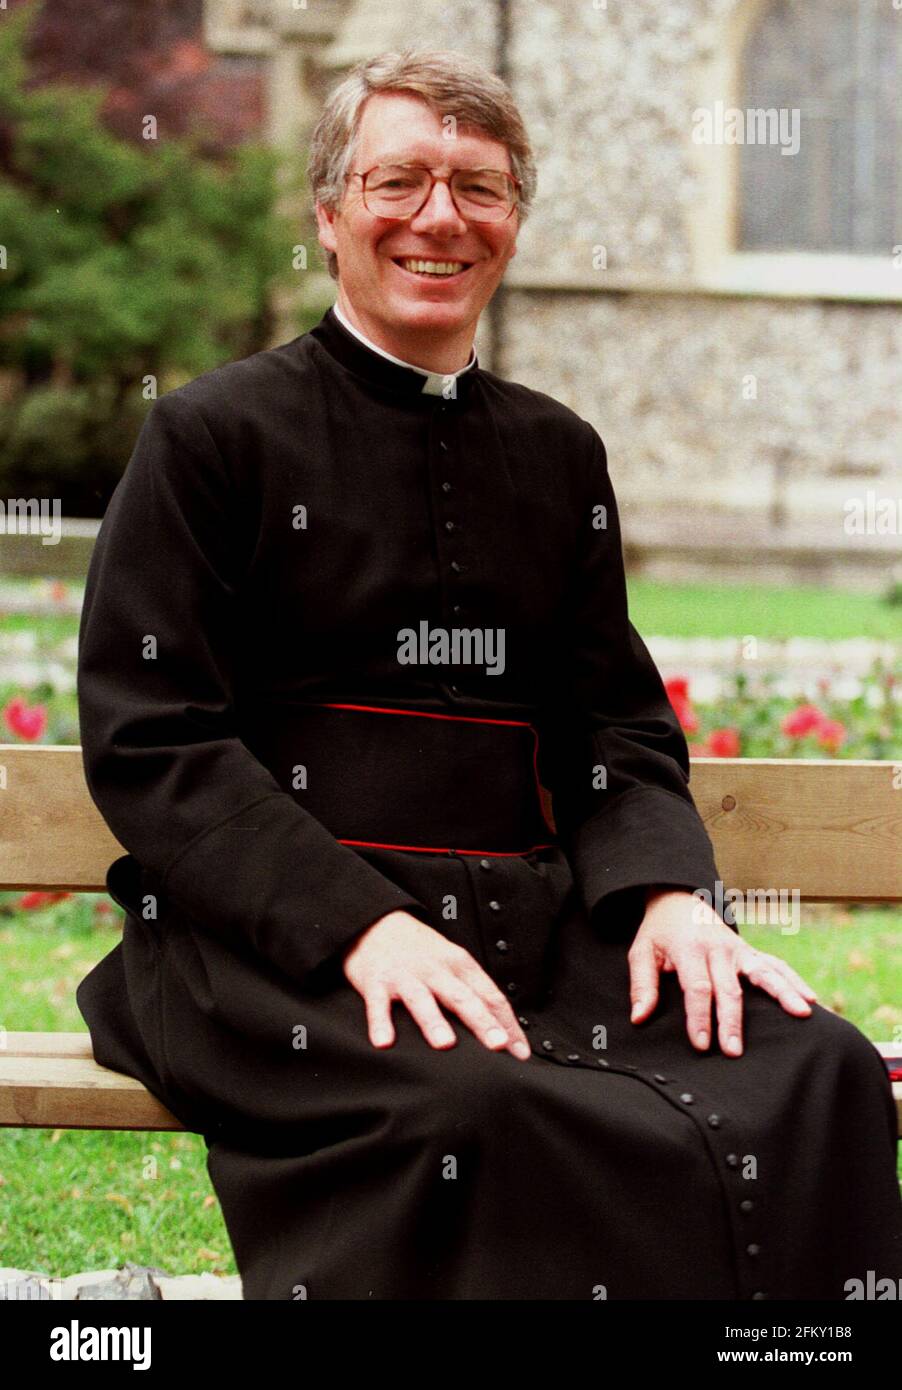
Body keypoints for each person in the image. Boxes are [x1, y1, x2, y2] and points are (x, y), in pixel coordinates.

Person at [75, 48, 901, 1301]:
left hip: (524, 921)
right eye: (397, 180)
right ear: (330, 213)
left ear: (512, 220)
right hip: (269, 941)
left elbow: (614, 730)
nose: (438, 217)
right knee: (474, 1106)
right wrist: (357, 924)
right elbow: (154, 740)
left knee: (818, 1062)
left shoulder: (557, 456)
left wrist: (669, 894)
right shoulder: (211, 437)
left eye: (478, 186)